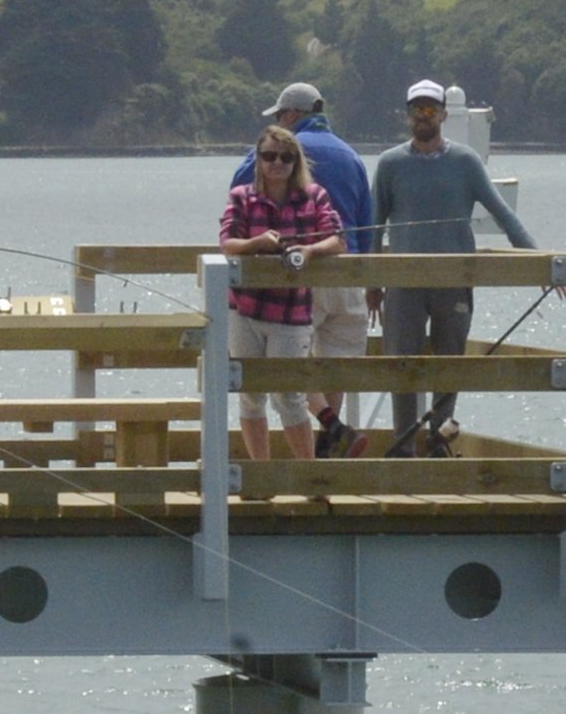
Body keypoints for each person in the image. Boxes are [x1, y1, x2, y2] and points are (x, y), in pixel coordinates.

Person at [370, 79, 533, 453]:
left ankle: (439, 437)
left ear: (443, 114)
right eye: (416, 110)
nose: (423, 117)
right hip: (402, 285)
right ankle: (404, 444)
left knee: (449, 363)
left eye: (430, 109)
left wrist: (540, 263)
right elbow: (374, 226)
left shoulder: (465, 161)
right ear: (407, 115)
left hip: (454, 282)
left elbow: (503, 214)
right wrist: (372, 284)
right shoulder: (390, 163)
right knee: (402, 367)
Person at [234, 82, 377, 452]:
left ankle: (329, 429)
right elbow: (367, 219)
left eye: (281, 116)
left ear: (292, 115)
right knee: (333, 367)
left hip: (301, 278)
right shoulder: (352, 156)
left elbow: (241, 186)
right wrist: (373, 280)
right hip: (348, 276)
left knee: (289, 370)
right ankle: (329, 450)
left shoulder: (285, 148)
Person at [219, 126, 349, 461]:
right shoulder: (241, 197)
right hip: (244, 308)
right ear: (259, 160)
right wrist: (258, 244)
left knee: (289, 395)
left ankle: (308, 477)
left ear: (296, 162)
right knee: (250, 395)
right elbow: (228, 244)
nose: (277, 163)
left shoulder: (314, 196)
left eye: (286, 157)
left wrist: (308, 252)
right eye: (269, 156)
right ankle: (261, 476)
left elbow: (338, 239)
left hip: (291, 313)